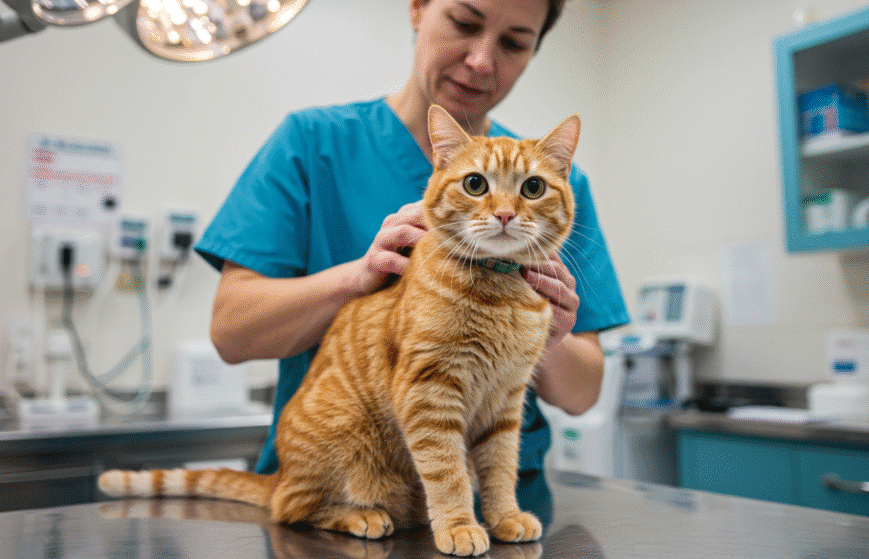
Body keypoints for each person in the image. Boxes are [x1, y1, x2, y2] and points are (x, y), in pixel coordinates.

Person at [194, 0, 629, 524]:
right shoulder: (313, 145)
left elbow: (583, 395)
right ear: (418, 8)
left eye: (514, 43)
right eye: (465, 24)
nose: (482, 61)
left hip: (502, 504)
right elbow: (230, 333)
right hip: (340, 487)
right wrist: (355, 279)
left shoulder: (551, 184)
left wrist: (544, 334)